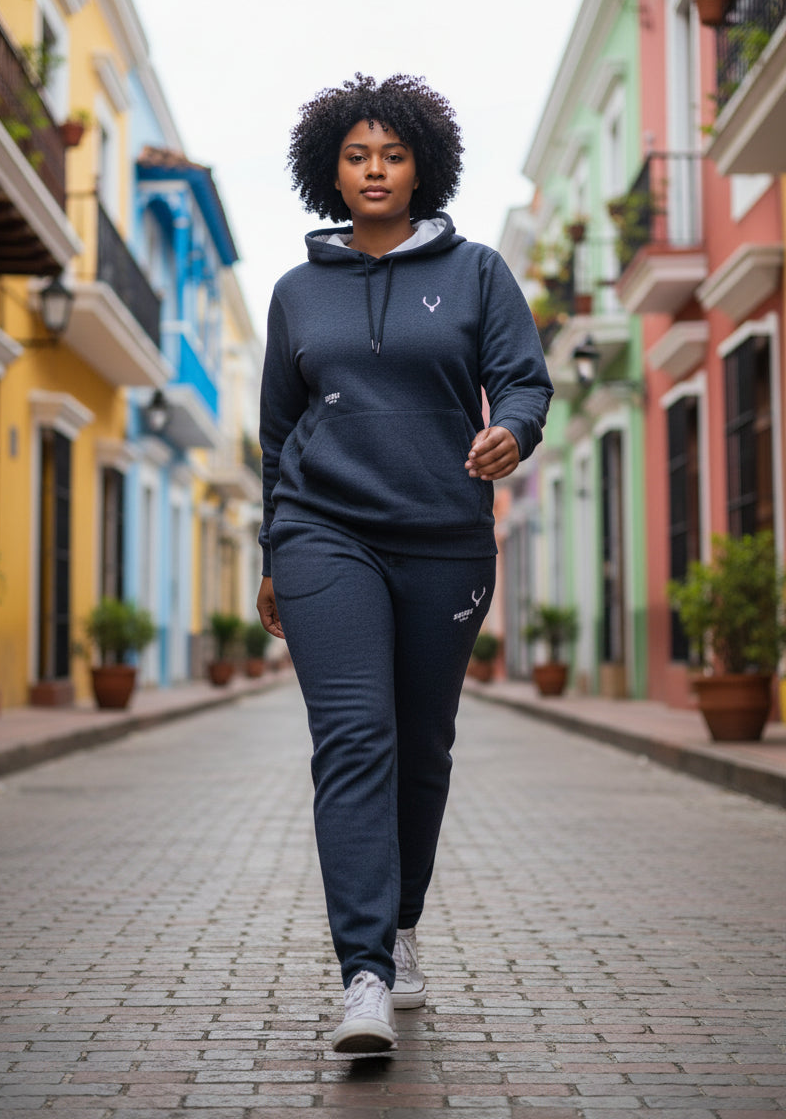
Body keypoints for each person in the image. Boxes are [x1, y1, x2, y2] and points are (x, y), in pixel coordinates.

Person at [256, 73, 553, 1054]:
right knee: (354, 740)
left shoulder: (475, 273)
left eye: (391, 154)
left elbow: (519, 377)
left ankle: (402, 928)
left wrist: (511, 430)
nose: (373, 169)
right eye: (355, 155)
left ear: (422, 165)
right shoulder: (296, 293)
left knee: (421, 749)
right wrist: (273, 545)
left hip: (441, 535)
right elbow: (277, 429)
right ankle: (365, 977)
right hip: (322, 533)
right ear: (328, 172)